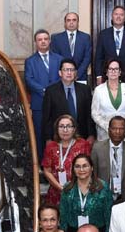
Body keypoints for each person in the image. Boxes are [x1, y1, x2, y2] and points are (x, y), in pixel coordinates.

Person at [24, 29, 62, 157]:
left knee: (58, 133)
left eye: (45, 39)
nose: (43, 42)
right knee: (39, 134)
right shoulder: (30, 61)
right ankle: (40, 164)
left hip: (57, 102)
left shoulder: (59, 59)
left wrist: (52, 91)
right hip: (39, 104)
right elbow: (29, 80)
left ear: (50, 41)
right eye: (40, 40)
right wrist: (44, 90)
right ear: (35, 42)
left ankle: (58, 162)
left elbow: (62, 78)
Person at [59, 154, 113, 232]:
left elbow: (109, 216)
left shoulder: (103, 187)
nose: (81, 170)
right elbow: (63, 217)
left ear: (91, 168)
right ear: (73, 169)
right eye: (77, 166)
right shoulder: (67, 188)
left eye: (85, 166)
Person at [41, 114, 92, 206]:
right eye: (61, 126)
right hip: (56, 193)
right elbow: (47, 171)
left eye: (68, 126)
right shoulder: (51, 147)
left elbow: (88, 168)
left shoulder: (83, 144)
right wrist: (60, 188)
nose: (65, 130)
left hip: (79, 191)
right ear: (57, 129)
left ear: (74, 129)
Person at [41, 59, 96, 143]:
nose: (69, 73)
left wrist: (91, 135)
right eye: (66, 70)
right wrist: (48, 139)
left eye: (72, 70)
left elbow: (89, 115)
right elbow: (47, 118)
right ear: (60, 73)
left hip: (82, 138)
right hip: (59, 139)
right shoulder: (51, 91)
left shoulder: (85, 90)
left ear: (75, 73)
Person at [91, 116, 125, 201]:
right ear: (109, 130)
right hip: (101, 197)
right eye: (114, 128)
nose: (117, 132)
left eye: (121, 129)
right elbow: (92, 174)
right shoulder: (97, 149)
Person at [91, 59, 125, 140]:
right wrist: (108, 127)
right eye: (110, 69)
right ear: (106, 71)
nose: (113, 71)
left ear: (120, 72)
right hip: (105, 133)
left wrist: (124, 126)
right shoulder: (98, 90)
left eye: (116, 69)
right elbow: (95, 113)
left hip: (124, 133)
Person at [95, 5, 125, 84]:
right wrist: (99, 76)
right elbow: (99, 58)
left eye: (121, 14)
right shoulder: (103, 34)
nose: (118, 17)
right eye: (116, 14)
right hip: (108, 76)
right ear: (112, 17)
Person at [51, 12, 92, 82]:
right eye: (68, 20)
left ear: (78, 22)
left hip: (80, 77)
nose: (71, 22)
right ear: (65, 23)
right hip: (62, 78)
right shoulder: (56, 38)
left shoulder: (85, 37)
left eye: (74, 20)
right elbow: (55, 58)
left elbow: (87, 58)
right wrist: (66, 73)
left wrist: (77, 74)